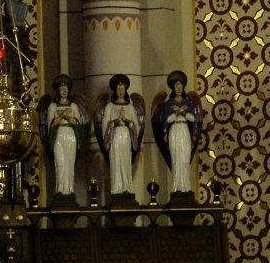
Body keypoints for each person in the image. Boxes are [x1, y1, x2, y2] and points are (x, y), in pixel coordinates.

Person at [150, 70, 205, 197]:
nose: (178, 88)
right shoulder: (168, 104)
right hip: (174, 132)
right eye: (176, 86)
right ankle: (176, 187)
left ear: (183, 87)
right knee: (176, 159)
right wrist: (177, 112)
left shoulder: (188, 103)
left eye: (180, 85)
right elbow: (167, 120)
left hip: (184, 131)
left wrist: (182, 111)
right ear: (173, 88)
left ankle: (186, 187)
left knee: (185, 159)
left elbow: (193, 118)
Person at [38, 74, 88, 201]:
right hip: (58, 136)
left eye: (65, 89)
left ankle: (69, 189)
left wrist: (66, 116)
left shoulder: (74, 106)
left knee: (69, 162)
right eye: (61, 89)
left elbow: (76, 123)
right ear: (58, 91)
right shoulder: (53, 107)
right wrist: (63, 115)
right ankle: (60, 189)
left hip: (70, 135)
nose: (63, 91)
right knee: (60, 162)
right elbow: (52, 123)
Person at [94, 73, 144, 202]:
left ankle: (127, 187)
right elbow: (104, 125)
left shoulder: (130, 107)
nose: (121, 91)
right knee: (116, 160)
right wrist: (116, 121)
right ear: (115, 91)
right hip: (115, 136)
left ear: (126, 90)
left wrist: (126, 120)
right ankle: (116, 189)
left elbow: (136, 126)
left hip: (126, 136)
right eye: (118, 89)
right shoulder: (110, 107)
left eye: (123, 88)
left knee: (126, 161)